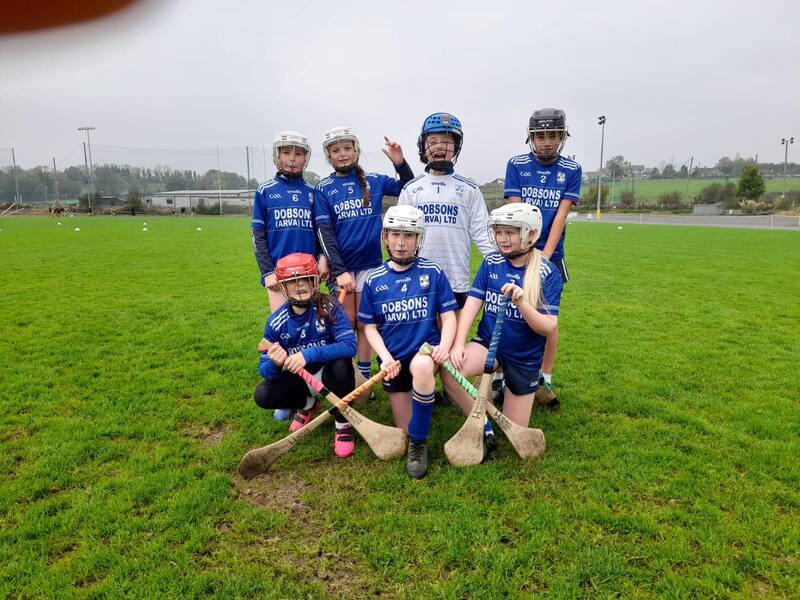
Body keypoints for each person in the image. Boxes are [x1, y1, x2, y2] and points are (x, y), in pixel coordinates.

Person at [442, 203, 562, 438]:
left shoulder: (547, 272)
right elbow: (472, 304)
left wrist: (522, 304)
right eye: (498, 232)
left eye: (510, 232)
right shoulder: (491, 262)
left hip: (523, 356)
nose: (502, 239)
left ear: (531, 234)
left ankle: (509, 386)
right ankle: (481, 422)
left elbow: (548, 327)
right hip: (488, 345)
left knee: (513, 430)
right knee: (449, 372)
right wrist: (458, 344)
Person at [358, 205, 457, 479]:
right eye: (395, 235)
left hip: (424, 353)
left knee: (423, 369)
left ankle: (419, 445)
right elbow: (369, 327)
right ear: (385, 238)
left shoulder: (433, 272)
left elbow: (448, 317)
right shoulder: (374, 280)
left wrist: (443, 346)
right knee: (404, 430)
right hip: (394, 361)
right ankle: (418, 419)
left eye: (408, 235)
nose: (401, 243)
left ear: (419, 238)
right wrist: (385, 358)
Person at [315, 127, 414, 386]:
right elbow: (325, 232)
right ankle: (346, 376)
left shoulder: (374, 180)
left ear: (356, 151)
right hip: (343, 268)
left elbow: (408, 187)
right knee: (346, 321)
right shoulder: (323, 188)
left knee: (365, 321)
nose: (342, 154)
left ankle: (364, 377)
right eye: (336, 150)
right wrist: (339, 270)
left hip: (370, 265)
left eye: (347, 148)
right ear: (328, 156)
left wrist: (400, 163)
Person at [503, 108, 581, 408]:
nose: (546, 142)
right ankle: (503, 374)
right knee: (513, 312)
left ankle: (544, 377)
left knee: (549, 319)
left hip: (551, 254)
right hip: (520, 250)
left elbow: (560, 216)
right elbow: (516, 213)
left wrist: (544, 258)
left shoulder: (572, 169)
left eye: (553, 135)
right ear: (531, 138)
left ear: (562, 137)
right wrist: (526, 253)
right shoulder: (517, 165)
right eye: (540, 136)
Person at [254, 253, 358, 458]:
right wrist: (274, 363)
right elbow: (265, 370)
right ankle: (307, 404)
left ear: (314, 281)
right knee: (263, 394)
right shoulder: (276, 322)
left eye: (305, 279)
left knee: (342, 364)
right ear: (283, 286)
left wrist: (307, 354)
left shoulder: (330, 306)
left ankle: (342, 423)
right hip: (301, 379)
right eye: (292, 282)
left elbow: (349, 345)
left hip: (329, 374)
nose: (300, 285)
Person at [397, 112, 494, 311]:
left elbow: (482, 234)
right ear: (423, 147)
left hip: (456, 277)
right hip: (417, 275)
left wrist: (502, 265)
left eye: (447, 141)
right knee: (422, 331)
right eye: (432, 141)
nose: (439, 146)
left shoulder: (469, 189)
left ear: (456, 147)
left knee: (454, 330)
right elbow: (400, 234)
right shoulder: (411, 189)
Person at [252, 130, 326, 314]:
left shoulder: (313, 192)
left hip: (308, 272)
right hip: (278, 275)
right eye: (286, 152)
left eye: (298, 154)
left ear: (305, 158)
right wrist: (267, 272)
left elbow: (322, 233)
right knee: (282, 325)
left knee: (310, 325)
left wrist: (322, 258)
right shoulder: (265, 191)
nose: (292, 159)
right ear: (277, 155)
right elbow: (258, 236)